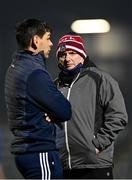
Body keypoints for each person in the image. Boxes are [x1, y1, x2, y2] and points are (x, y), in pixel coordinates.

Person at [4, 18, 72, 179]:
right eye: (48, 38)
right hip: (39, 151)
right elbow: (65, 110)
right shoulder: (35, 73)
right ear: (36, 40)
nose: (51, 44)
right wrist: (53, 111)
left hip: (25, 151)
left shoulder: (14, 68)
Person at [55, 33, 128, 179]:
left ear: (82, 54)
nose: (67, 58)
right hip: (64, 165)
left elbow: (119, 116)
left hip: (94, 165)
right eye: (62, 54)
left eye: (72, 53)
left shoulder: (101, 79)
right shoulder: (54, 86)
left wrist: (98, 144)